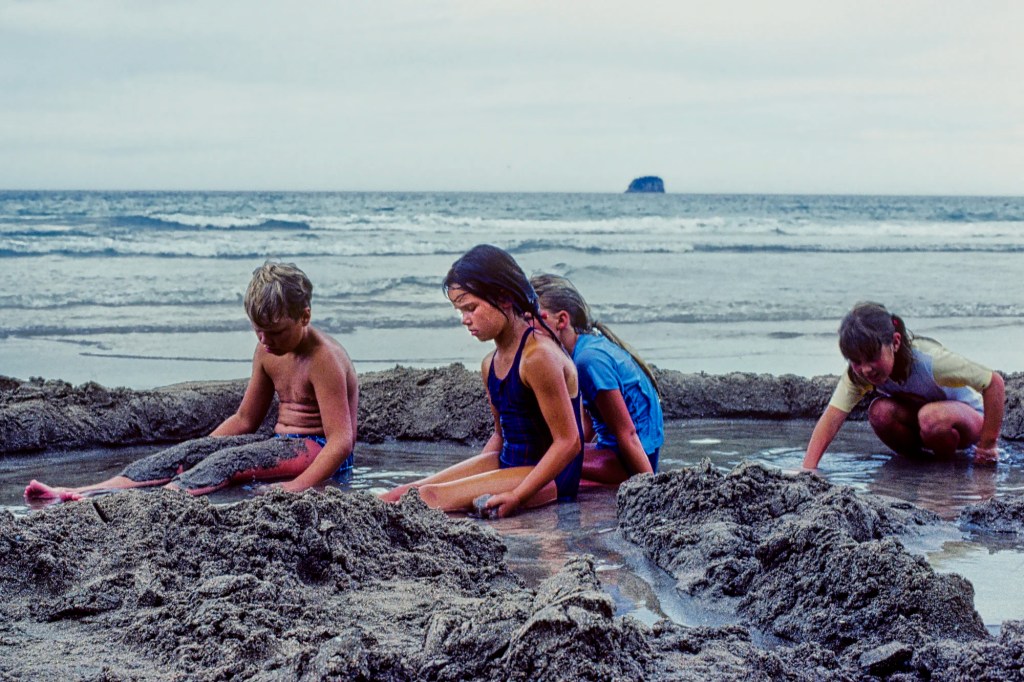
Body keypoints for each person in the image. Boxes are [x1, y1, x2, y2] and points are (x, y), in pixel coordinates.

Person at [25, 261, 358, 501]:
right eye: (257, 330)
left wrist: (293, 487)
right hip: (281, 445)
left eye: (274, 331)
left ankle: (154, 502)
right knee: (190, 452)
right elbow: (245, 420)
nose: (265, 339)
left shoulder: (323, 358)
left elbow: (341, 442)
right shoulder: (267, 349)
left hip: (318, 452)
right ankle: (83, 491)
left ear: (305, 316)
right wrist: (200, 450)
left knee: (229, 462)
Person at [380, 244, 583, 518]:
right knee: (405, 492)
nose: (465, 320)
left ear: (504, 298)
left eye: (471, 308)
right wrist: (472, 481)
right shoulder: (490, 363)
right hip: (509, 462)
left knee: (429, 498)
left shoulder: (538, 357)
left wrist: (517, 495)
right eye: (460, 311)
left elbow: (568, 442)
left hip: (550, 476)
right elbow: (501, 436)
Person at [802, 301, 1004, 470]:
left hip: (970, 423)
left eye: (872, 357)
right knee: (879, 412)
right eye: (856, 361)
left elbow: (994, 382)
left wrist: (988, 445)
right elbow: (831, 418)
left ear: (895, 342)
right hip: (928, 428)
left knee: (931, 417)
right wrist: (808, 469)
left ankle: (946, 466)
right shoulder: (859, 375)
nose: (866, 369)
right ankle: (922, 462)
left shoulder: (929, 361)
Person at [531, 273, 663, 484]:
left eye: (533, 319)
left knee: (535, 464)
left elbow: (628, 434)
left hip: (629, 459)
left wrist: (651, 489)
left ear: (562, 320)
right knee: (549, 459)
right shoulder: (582, 349)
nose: (526, 328)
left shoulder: (588, 360)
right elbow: (588, 423)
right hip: (619, 450)